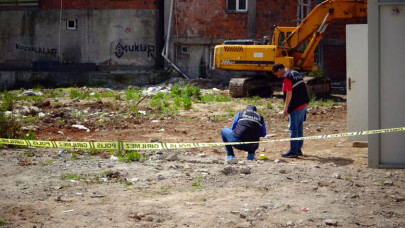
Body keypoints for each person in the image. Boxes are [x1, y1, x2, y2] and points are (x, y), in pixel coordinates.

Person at [272, 63, 310, 158]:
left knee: (293, 129)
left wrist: (286, 108)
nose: (278, 76)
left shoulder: (287, 77)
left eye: (277, 74)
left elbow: (289, 92)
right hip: (304, 103)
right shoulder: (295, 73)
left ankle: (293, 151)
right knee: (299, 127)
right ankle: (298, 149)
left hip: (296, 106)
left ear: (280, 70)